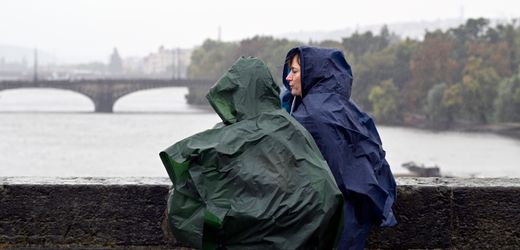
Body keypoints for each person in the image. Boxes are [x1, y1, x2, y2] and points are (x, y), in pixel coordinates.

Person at [160, 57, 343, 249]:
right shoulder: (293, 128)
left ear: (235, 95)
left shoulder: (230, 136)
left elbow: (186, 200)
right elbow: (326, 192)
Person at [281, 46, 397, 250]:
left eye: (295, 71)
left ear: (312, 74)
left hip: (331, 224)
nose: (288, 78)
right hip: (354, 217)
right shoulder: (344, 107)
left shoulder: (310, 116)